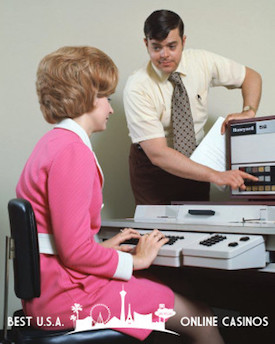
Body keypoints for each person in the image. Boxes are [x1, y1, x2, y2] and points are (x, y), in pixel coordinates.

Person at [16, 46, 225, 343]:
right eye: (105, 98)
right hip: (69, 297)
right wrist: (135, 261)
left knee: (171, 290)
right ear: (86, 95)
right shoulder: (72, 152)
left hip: (50, 291)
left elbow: (61, 238)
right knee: (200, 316)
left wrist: (104, 248)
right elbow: (74, 252)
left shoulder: (51, 143)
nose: (111, 108)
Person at [124, 9, 261, 205]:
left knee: (197, 224)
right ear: (146, 44)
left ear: (183, 41)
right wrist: (215, 175)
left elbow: (251, 77)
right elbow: (158, 154)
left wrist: (249, 111)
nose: (164, 55)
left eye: (172, 46)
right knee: (157, 231)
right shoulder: (137, 86)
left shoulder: (201, 61)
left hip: (197, 160)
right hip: (153, 167)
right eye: (156, 48)